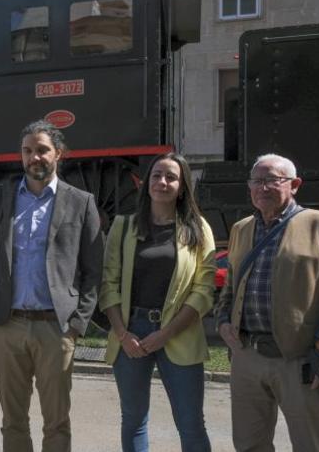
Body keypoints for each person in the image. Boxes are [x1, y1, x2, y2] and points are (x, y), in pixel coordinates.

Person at [0, 121, 103, 452]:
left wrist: (77, 325)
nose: (34, 157)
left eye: (41, 149)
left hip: (56, 328)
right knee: (13, 421)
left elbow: (93, 270)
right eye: (27, 150)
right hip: (7, 326)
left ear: (58, 154)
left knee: (56, 422)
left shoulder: (81, 202)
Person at [216, 153, 319, 451]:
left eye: (272, 180)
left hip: (303, 362)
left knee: (309, 446)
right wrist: (223, 322)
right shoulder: (241, 229)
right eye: (257, 181)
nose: (263, 187)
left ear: (295, 184)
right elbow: (230, 288)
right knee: (249, 445)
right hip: (247, 356)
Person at [99, 152, 215, 452]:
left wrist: (166, 333)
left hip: (179, 333)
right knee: (134, 420)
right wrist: (123, 334)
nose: (162, 182)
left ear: (182, 186)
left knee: (191, 424)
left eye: (171, 177)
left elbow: (203, 290)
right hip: (130, 333)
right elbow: (108, 284)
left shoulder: (198, 229)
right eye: (156, 176)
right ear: (146, 181)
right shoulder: (123, 227)